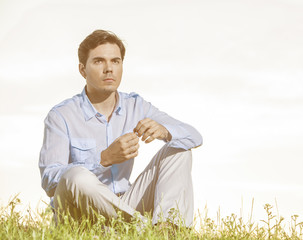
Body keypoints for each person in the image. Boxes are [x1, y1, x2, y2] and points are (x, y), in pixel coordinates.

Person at [38, 30, 202, 227]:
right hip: (80, 215)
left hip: (124, 205)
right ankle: (143, 230)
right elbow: (49, 179)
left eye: (115, 61)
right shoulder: (61, 115)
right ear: (82, 70)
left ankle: (168, 229)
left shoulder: (136, 106)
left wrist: (165, 131)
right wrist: (103, 159)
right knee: (76, 176)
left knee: (179, 148)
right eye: (99, 61)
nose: (109, 69)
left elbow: (195, 136)